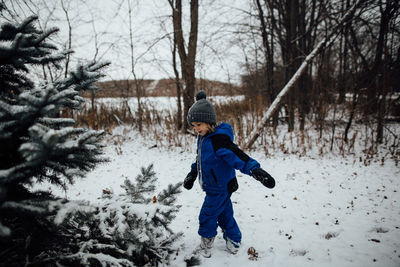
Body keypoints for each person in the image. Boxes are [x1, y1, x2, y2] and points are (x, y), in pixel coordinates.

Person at [183, 90, 276, 258]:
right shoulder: (204, 138)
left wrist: (255, 170)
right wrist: (192, 173)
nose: (196, 129)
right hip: (218, 185)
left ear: (209, 122)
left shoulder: (219, 141)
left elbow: (237, 156)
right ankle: (234, 239)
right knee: (224, 214)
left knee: (207, 214)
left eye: (199, 125)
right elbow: (201, 159)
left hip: (219, 187)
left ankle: (207, 240)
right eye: (194, 125)